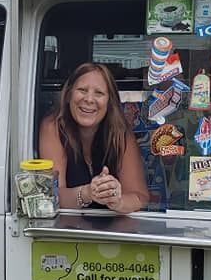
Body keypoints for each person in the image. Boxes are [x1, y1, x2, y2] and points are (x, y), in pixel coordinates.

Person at [39, 62, 149, 213]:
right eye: (82, 90)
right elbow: (53, 195)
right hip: (66, 228)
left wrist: (117, 201)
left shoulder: (121, 132)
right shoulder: (53, 127)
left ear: (110, 101)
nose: (89, 99)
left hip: (113, 229)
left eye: (99, 93)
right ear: (68, 94)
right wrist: (88, 193)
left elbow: (140, 197)